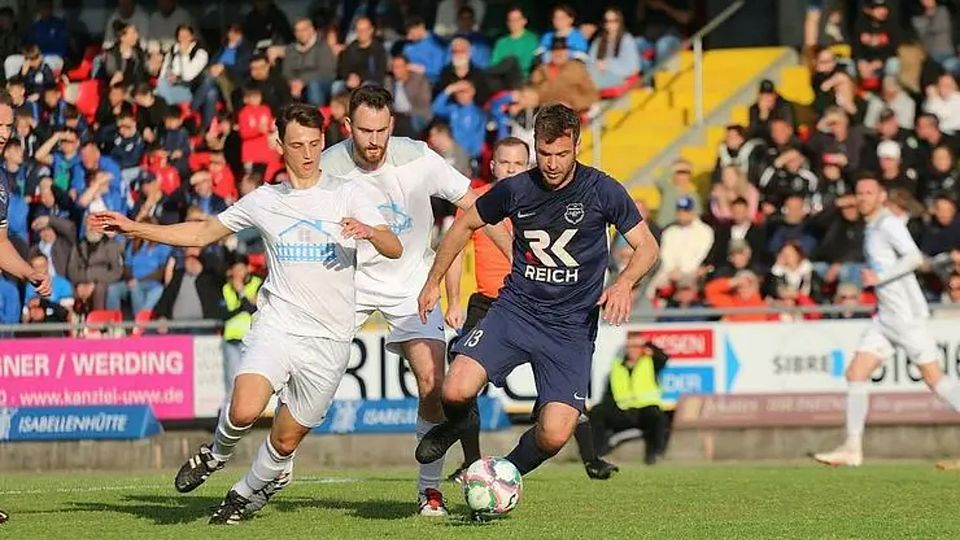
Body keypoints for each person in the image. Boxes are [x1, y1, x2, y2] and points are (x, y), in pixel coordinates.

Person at [91, 102, 401, 524]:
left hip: (330, 339)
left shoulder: (350, 192)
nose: (308, 154)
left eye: (314, 144)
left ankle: (245, 493)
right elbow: (203, 232)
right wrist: (135, 227)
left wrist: (370, 231)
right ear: (280, 146)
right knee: (243, 409)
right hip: (279, 324)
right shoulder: (266, 200)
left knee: (285, 441)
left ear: (323, 141)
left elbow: (393, 246)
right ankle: (216, 453)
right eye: (298, 144)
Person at [414, 103, 659, 496]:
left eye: (562, 154)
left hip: (570, 328)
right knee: (455, 389)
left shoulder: (603, 190)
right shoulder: (517, 188)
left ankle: (501, 475)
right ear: (535, 146)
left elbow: (647, 247)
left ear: (577, 146)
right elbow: (464, 224)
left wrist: (625, 282)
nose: (552, 163)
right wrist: (433, 282)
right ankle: (459, 424)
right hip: (516, 311)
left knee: (555, 433)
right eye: (544, 154)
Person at [320, 85, 510, 516]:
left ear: (392, 124)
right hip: (346, 281)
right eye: (365, 131)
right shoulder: (328, 165)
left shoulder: (419, 157)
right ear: (348, 126)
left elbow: (474, 207)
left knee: (433, 385)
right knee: (312, 381)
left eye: (382, 130)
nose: (374, 141)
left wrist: (516, 258)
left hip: (412, 284)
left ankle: (429, 491)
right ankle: (272, 470)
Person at [812, 175, 960, 467]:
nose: (864, 197)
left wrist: (880, 277)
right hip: (886, 318)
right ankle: (852, 448)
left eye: (870, 192)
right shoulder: (871, 227)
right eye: (860, 192)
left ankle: (852, 446)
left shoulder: (888, 223)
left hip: (905, 317)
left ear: (881, 196)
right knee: (855, 374)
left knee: (935, 380)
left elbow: (914, 258)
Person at [0, 92, 52, 526]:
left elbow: (0, 245)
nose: (3, 136)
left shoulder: (1, 182)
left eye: (7, 128)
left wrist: (30, 273)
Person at [580, 333, 668, 466]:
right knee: (598, 412)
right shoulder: (618, 366)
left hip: (644, 410)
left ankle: (655, 455)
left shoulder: (651, 362)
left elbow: (664, 357)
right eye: (630, 346)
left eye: (637, 346)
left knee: (658, 417)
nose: (633, 349)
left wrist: (649, 346)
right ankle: (596, 454)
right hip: (623, 411)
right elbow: (610, 393)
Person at [220, 255, 262, 397]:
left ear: (248, 269)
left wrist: (241, 292)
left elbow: (254, 310)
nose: (237, 273)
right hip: (232, 339)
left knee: (251, 380)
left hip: (252, 340)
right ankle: (231, 415)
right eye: (234, 269)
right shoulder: (226, 288)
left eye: (240, 269)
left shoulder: (258, 284)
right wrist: (245, 302)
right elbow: (222, 314)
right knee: (232, 380)